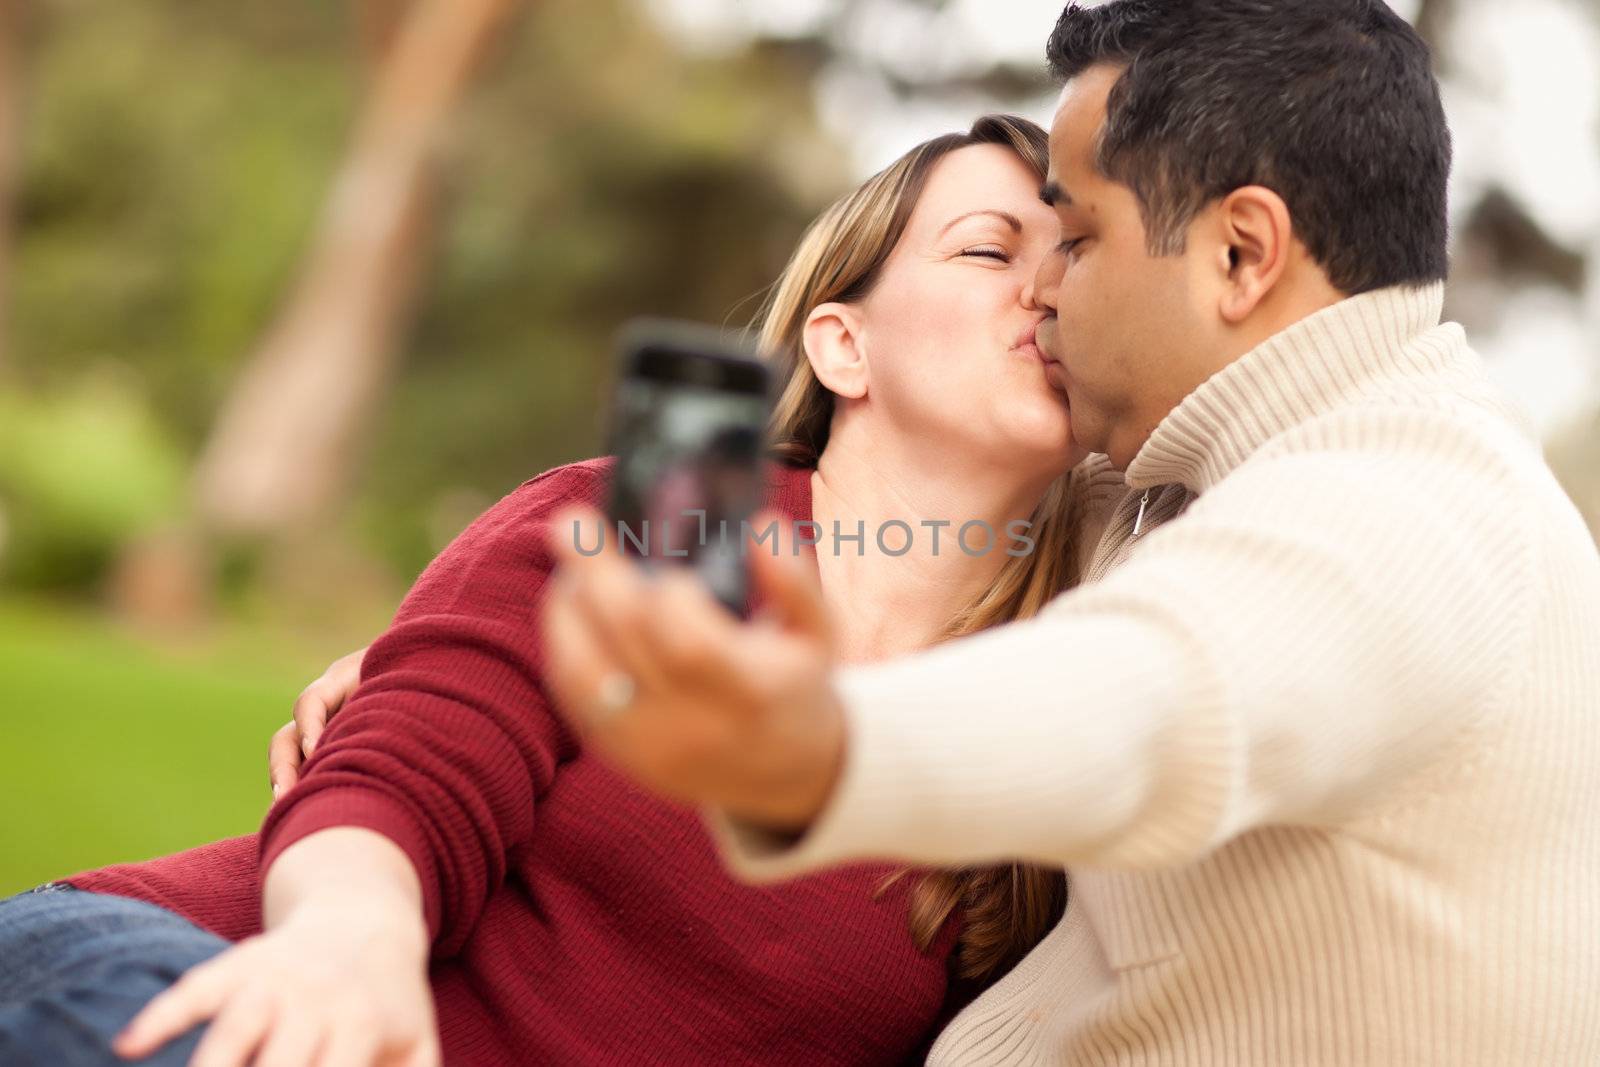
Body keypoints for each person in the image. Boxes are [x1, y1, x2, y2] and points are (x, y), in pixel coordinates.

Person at [537, 2, 1600, 1064]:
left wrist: (822, 747)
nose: (1041, 293)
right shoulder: (1174, 472)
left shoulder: (1415, 502)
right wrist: (417, 676)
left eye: (1078, 240)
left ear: (1240, 254)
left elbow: (1163, 688)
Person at [0, 114, 1112, 1066]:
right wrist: (350, 943)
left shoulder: (1055, 718)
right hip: (192, 972)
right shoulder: (672, 521)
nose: (1047, 289)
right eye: (986, 251)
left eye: (1075, 254)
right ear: (842, 345)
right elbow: (407, 779)